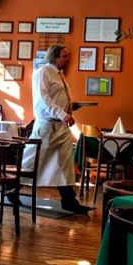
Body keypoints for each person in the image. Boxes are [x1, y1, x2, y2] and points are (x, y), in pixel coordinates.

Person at [22, 43, 92, 214]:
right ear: (54, 57)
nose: (68, 59)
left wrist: (71, 106)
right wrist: (62, 114)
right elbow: (43, 99)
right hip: (47, 125)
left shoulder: (59, 74)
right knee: (33, 161)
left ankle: (69, 200)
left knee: (65, 162)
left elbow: (57, 98)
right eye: (64, 56)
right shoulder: (43, 72)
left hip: (60, 127)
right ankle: (11, 188)